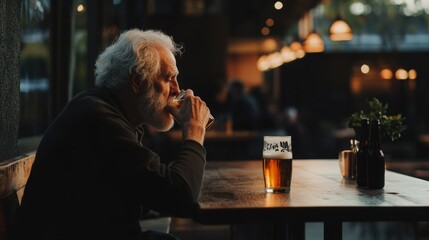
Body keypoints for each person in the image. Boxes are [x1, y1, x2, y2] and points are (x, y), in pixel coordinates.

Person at [16, 29, 211, 240]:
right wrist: (194, 130)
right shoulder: (97, 118)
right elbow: (181, 198)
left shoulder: (110, 113)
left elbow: (147, 190)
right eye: (168, 78)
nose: (177, 89)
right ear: (136, 81)